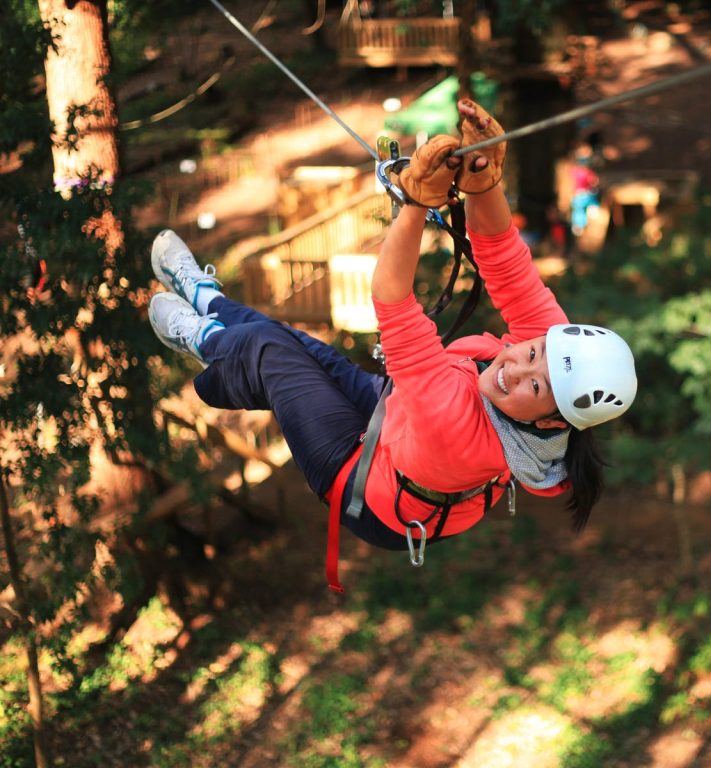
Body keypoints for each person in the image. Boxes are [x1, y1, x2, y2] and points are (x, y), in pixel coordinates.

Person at [146, 100, 637, 583]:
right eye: (531, 353)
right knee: (297, 346)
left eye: (535, 387)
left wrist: (415, 205)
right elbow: (504, 257)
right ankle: (205, 298)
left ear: (553, 420)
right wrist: (483, 181)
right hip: (398, 423)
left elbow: (391, 299)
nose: (515, 368)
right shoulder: (553, 358)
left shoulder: (455, 426)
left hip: (368, 489)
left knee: (271, 356)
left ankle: (204, 339)